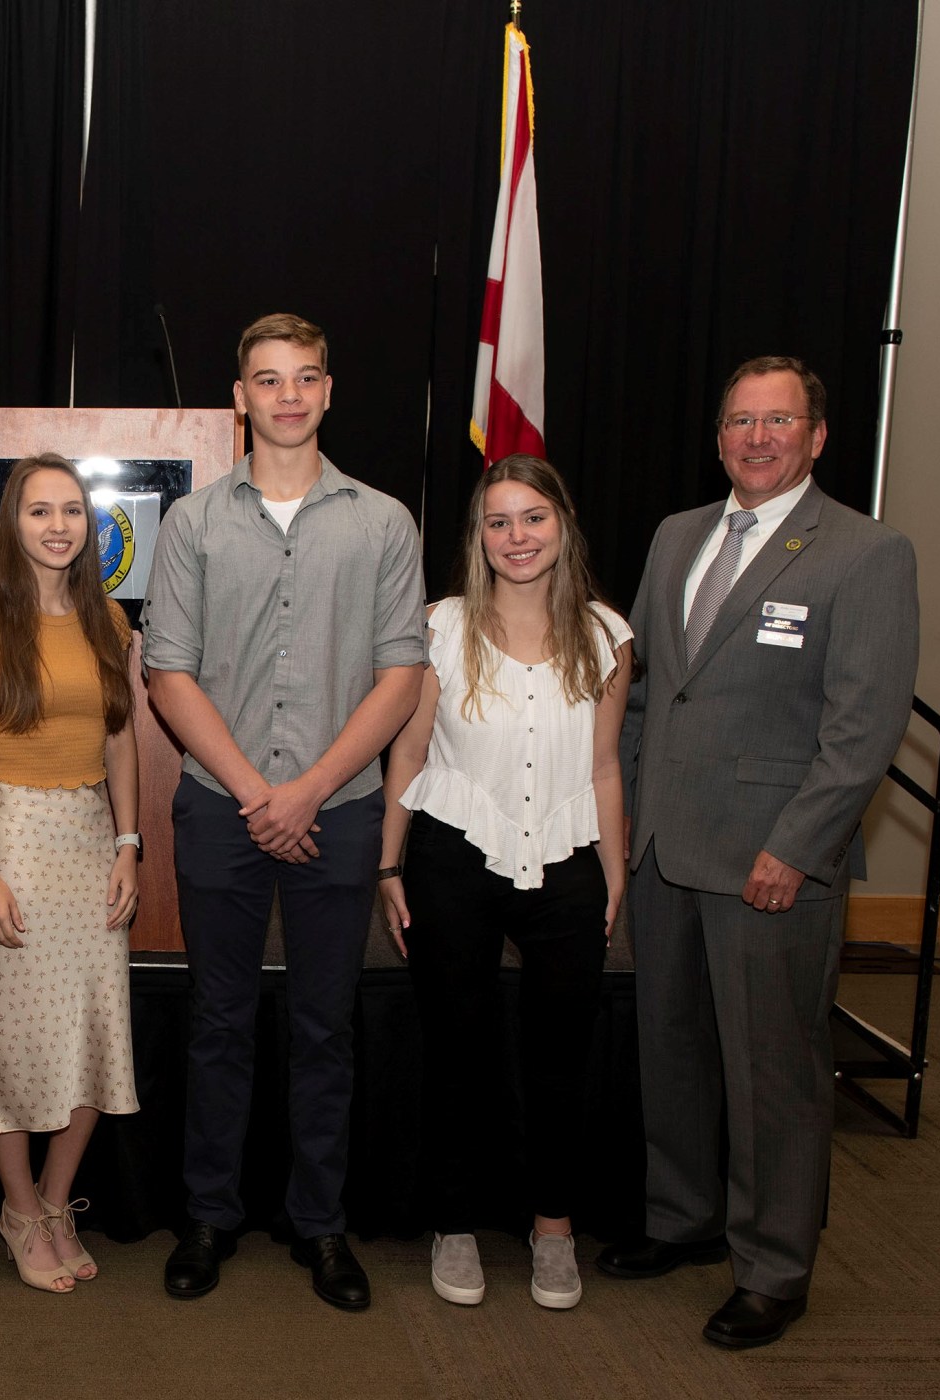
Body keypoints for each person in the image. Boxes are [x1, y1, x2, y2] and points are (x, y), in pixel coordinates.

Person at [597, 357, 919, 1348]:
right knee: (674, 1051)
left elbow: (861, 725)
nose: (755, 436)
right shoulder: (677, 535)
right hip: (663, 848)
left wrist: (797, 846)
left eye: (776, 420)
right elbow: (646, 689)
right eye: (738, 420)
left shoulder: (863, 553)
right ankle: (683, 1216)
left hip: (766, 866)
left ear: (816, 435)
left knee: (771, 1072)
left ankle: (773, 1265)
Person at [143, 313, 425, 1307]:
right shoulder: (192, 523)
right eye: (267, 379)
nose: (288, 395)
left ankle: (319, 1224)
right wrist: (260, 794)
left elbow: (400, 675)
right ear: (240, 398)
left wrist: (305, 790)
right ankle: (209, 1214)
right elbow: (165, 672)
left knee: (323, 1025)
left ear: (328, 391)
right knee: (216, 1020)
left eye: (305, 376)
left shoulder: (383, 520)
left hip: (339, 806)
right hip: (221, 806)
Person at [377, 456, 631, 1312]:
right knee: (456, 1045)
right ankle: (453, 1222)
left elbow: (603, 767)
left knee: (560, 1056)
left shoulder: (606, 636)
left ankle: (552, 1228)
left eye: (532, 519)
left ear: (562, 525)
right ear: (478, 538)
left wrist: (615, 872)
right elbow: (407, 754)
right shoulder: (438, 628)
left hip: (566, 861)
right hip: (452, 851)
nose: (516, 538)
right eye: (498, 522)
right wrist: (388, 863)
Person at [0, 454, 142, 1294]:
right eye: (38, 511)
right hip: (14, 835)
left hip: (94, 842)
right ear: (12, 526)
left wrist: (131, 843)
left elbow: (123, 740)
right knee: (18, 1046)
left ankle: (57, 1202)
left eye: (70, 511)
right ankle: (17, 1210)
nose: (57, 526)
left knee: (99, 1033)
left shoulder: (111, 627)